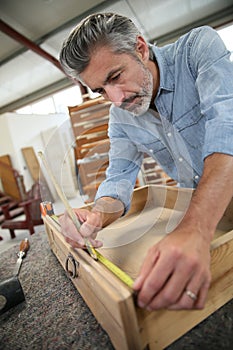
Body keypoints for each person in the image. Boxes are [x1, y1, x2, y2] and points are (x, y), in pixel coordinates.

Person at [59, 12, 233, 311]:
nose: (115, 99)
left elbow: (227, 128)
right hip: (213, 218)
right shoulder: (120, 117)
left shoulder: (197, 49)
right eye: (100, 90)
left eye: (115, 77)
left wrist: (194, 230)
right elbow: (119, 177)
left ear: (140, 48)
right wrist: (98, 215)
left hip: (204, 219)